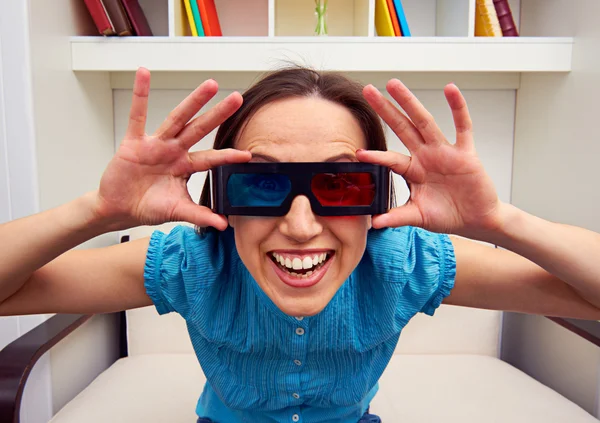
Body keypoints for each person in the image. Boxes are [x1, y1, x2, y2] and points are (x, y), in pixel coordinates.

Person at [1, 66, 600, 423]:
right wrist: (97, 211)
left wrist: (498, 221)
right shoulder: (193, 263)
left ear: (376, 199)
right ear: (222, 199)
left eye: (339, 184)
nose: (301, 225)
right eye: (262, 185)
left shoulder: (403, 263)